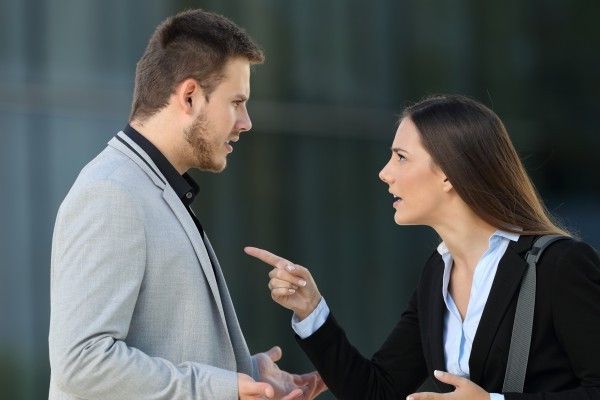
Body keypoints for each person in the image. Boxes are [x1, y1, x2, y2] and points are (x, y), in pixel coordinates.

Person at [245, 95, 600, 400]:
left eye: (401, 157)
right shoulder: (437, 273)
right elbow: (377, 392)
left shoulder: (560, 264)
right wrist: (310, 310)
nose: (385, 173)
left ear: (448, 172)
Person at [49, 9, 325, 400]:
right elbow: (82, 363)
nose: (246, 122)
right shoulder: (112, 194)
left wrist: (248, 376)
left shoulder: (152, 187)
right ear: (190, 96)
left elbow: (164, 346)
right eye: (237, 102)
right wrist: (223, 387)